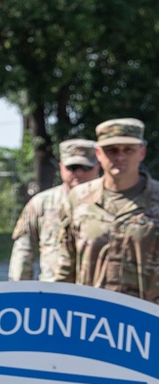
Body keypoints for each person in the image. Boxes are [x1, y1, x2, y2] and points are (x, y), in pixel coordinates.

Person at [54, 118, 159, 301]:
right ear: (98, 154)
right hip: (89, 315)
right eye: (112, 150)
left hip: (146, 319)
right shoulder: (78, 199)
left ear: (141, 152)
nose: (120, 156)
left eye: (128, 150)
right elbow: (66, 265)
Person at [8, 139, 100, 281]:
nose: (79, 173)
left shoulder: (109, 204)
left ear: (98, 167)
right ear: (61, 167)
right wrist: (19, 293)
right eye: (73, 167)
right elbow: (23, 252)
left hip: (97, 295)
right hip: (53, 295)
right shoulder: (41, 203)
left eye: (86, 167)